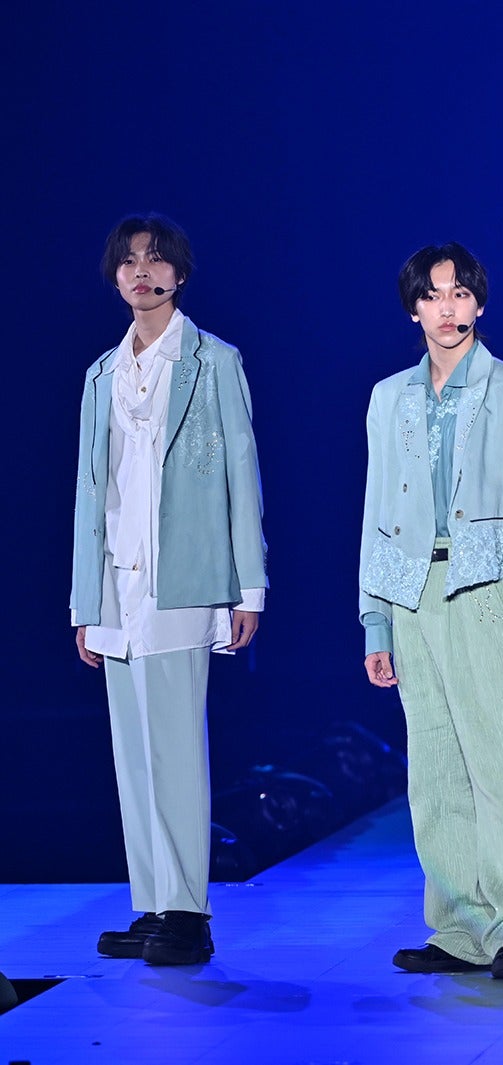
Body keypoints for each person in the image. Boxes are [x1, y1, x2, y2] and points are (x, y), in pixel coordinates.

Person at [359, 242, 503, 979]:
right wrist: (375, 619)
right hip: (411, 592)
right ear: (413, 307)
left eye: (460, 294)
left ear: (479, 302)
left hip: (485, 589)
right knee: (434, 766)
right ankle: (457, 927)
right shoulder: (390, 396)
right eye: (433, 295)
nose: (447, 308)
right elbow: (376, 510)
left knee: (496, 758)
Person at [72, 214, 267, 967]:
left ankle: (188, 911)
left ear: (178, 274)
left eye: (155, 260)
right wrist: (83, 601)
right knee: (133, 755)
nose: (141, 272)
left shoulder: (214, 360)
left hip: (183, 578)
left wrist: (248, 584)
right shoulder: (102, 373)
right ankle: (153, 902)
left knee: (177, 748)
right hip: (115, 583)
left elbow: (240, 472)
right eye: (128, 261)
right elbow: (91, 493)